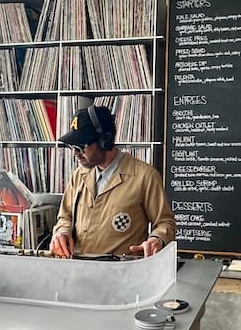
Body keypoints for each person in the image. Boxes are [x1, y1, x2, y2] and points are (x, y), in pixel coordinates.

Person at [49, 104, 175, 258]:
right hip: (78, 269)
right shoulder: (78, 176)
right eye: (72, 146)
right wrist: (61, 231)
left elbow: (165, 223)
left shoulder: (145, 176)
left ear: (105, 141)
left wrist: (157, 239)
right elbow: (65, 216)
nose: (75, 153)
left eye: (82, 146)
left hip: (121, 273)